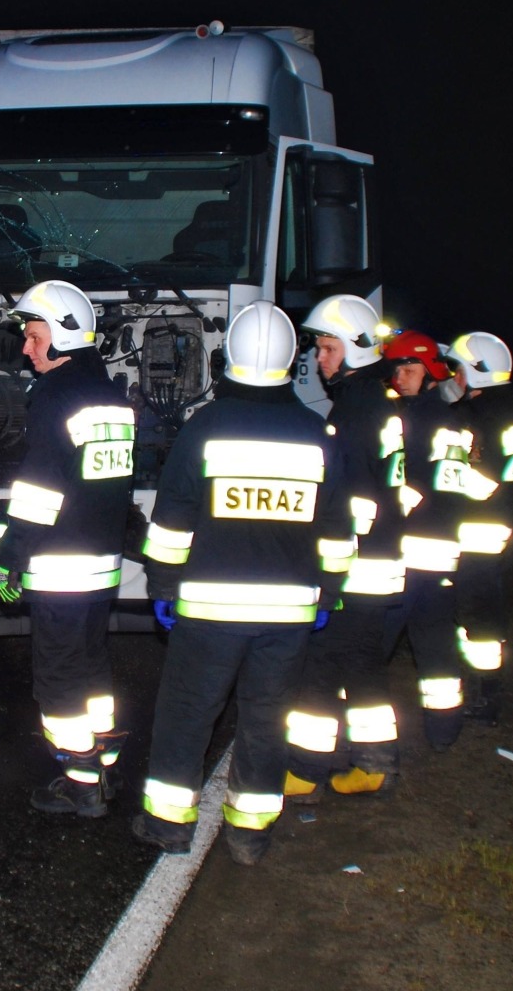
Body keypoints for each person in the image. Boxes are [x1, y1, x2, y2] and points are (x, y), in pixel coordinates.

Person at [133, 303, 354, 865]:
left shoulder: (204, 428)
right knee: (266, 719)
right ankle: (250, 833)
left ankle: (169, 825)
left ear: (227, 356)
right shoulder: (316, 433)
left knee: (187, 712)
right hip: (289, 615)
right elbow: (336, 528)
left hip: (209, 609)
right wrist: (327, 592)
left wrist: (162, 588)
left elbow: (172, 520)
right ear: (290, 363)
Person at [0, 280, 137, 818]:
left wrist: (11, 555)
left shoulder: (54, 396)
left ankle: (80, 781)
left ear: (64, 337)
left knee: (56, 675)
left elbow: (40, 491)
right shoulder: (111, 397)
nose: (27, 348)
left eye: (34, 337)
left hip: (59, 565)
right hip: (102, 566)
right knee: (92, 664)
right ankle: (105, 758)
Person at [283, 294, 408, 801]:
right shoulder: (376, 404)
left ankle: (305, 769)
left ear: (356, 350)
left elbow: (351, 504)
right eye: (319, 348)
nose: (319, 359)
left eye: (329, 348)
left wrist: (323, 563)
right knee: (361, 666)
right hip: (381, 561)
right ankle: (375, 763)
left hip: (355, 564)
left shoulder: (354, 414)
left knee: (319, 667)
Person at [376, 330, 474, 753]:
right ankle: (443, 730)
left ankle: (361, 740)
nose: (400, 376)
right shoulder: (449, 417)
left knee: (370, 645)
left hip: (408, 551)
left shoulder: (416, 419)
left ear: (431, 372)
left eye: (410, 368)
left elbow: (407, 487)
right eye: (396, 368)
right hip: (442, 551)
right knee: (435, 643)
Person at [446, 332, 513, 726]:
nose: (454, 378)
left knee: (478, 617)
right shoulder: (504, 414)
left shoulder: (488, 420)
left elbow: (482, 484)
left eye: (458, 370)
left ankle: (485, 696)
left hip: (477, 530)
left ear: (477, 373)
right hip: (490, 528)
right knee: (478, 616)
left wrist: (444, 480)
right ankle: (482, 690)